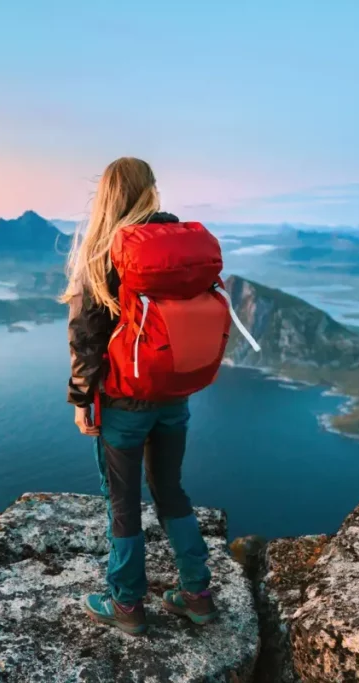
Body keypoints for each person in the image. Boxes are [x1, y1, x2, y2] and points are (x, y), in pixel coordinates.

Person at [62, 157, 225, 636]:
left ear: (107, 195)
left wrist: (80, 400)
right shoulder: (178, 245)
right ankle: (197, 594)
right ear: (151, 191)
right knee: (171, 490)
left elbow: (86, 335)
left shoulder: (105, 251)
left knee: (123, 503)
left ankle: (127, 604)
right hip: (174, 392)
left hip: (125, 402)